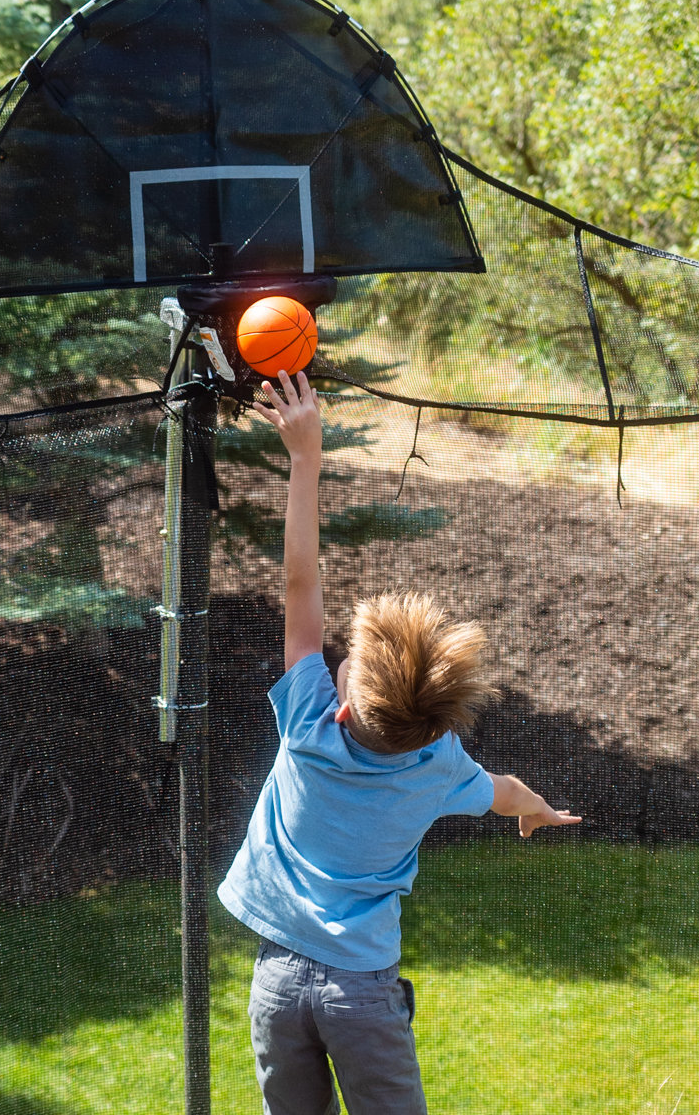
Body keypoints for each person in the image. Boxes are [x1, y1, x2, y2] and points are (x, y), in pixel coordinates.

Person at [218, 369, 583, 1115]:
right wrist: (534, 809)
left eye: (343, 661)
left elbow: (300, 587)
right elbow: (504, 791)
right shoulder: (436, 763)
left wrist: (306, 458)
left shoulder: (309, 724)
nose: (336, 658)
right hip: (364, 993)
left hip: (279, 980)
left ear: (344, 706)